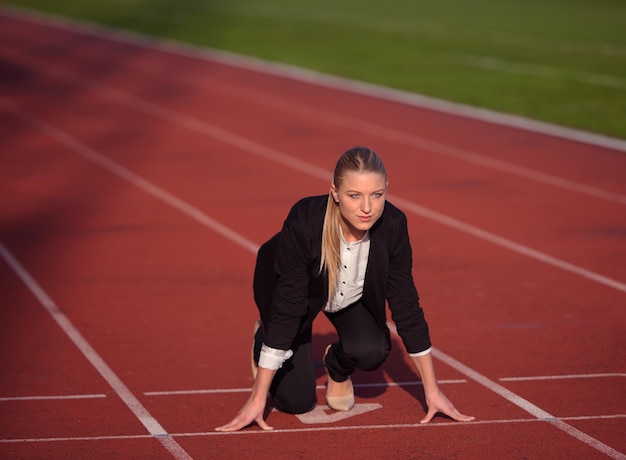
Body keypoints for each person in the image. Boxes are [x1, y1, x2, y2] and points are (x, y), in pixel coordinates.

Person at [215, 146, 474, 431]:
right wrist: (257, 397)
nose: (367, 207)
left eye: (377, 195)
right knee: (295, 401)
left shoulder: (393, 225)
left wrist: (432, 391)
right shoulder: (304, 221)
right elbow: (289, 305)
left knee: (372, 350)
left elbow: (406, 303)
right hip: (290, 291)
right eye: (355, 195)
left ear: (387, 189)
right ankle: (263, 335)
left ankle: (337, 368)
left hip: (348, 295)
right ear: (335, 193)